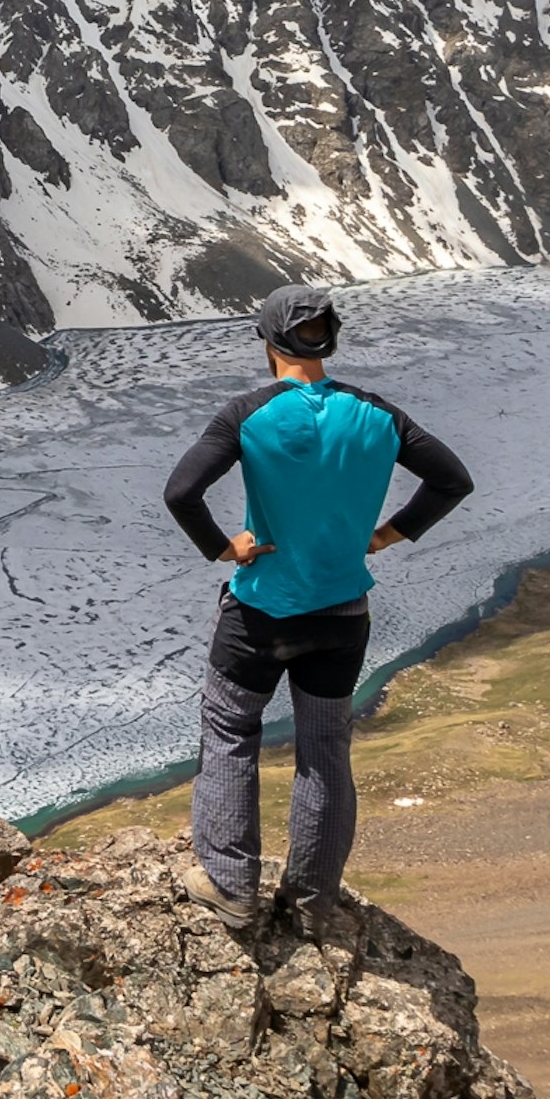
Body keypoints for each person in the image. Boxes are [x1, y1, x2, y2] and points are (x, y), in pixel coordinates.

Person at [160, 282, 474, 933]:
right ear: (329, 338)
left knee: (229, 736)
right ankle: (309, 906)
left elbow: (182, 492)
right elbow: (452, 480)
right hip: (342, 616)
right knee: (325, 753)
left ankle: (229, 885)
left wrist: (224, 548)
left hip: (261, 612)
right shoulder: (378, 416)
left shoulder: (249, 414)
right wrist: (386, 534)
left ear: (268, 341)